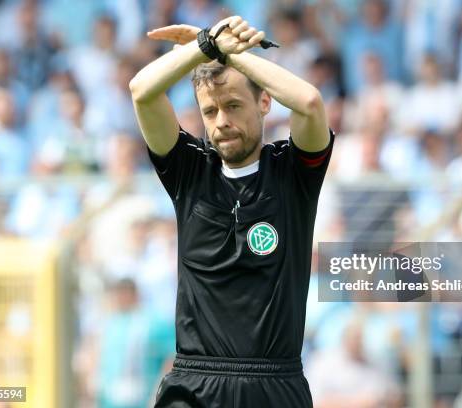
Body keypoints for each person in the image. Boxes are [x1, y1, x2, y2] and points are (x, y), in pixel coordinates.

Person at [129, 15, 333, 408]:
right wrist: (205, 46)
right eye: (210, 111)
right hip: (194, 384)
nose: (221, 122)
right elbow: (142, 91)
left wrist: (233, 55)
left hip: (273, 384)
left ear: (264, 101)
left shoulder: (292, 174)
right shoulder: (189, 171)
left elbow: (309, 102)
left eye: (234, 105)